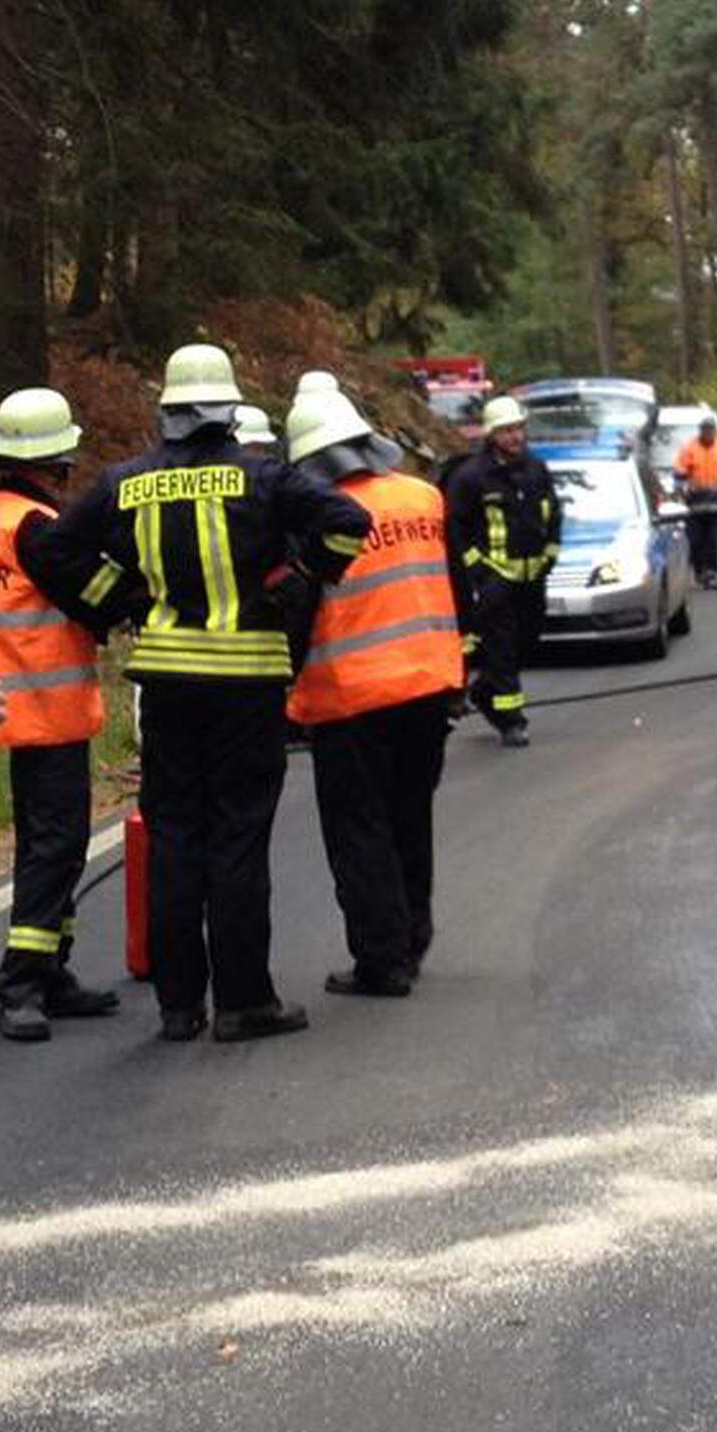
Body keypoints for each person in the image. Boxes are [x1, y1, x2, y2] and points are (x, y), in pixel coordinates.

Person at [26, 343, 367, 1043]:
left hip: (168, 686)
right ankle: (245, 1002)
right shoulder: (266, 479)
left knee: (177, 839)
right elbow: (349, 522)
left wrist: (116, 599)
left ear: (168, 412)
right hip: (246, 687)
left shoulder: (126, 481)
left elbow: (51, 549)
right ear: (227, 409)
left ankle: (179, 1007)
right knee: (238, 840)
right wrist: (302, 576)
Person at [281, 380, 462, 998]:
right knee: (412, 818)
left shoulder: (315, 518)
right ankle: (413, 936)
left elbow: (299, 610)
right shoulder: (422, 497)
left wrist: (282, 693)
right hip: (428, 686)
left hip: (350, 697)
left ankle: (382, 962)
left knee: (361, 833)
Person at [0, 387, 133, 1044]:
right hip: (42, 710)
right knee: (53, 849)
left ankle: (52, 973)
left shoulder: (2, 513)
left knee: (56, 848)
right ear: (55, 458)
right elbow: (85, 590)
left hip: (29, 707)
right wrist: (130, 594)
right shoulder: (34, 525)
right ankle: (22, 983)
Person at [442, 393, 560, 746]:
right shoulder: (471, 478)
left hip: (532, 577)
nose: (515, 437)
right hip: (495, 582)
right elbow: (456, 531)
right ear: (492, 435)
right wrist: (480, 573)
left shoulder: (536, 470)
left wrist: (550, 555)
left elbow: (552, 515)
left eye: (519, 429)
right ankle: (510, 720)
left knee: (527, 641)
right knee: (502, 648)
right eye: (507, 431)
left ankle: (484, 693)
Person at [672, 415, 717, 588]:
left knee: (713, 538)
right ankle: (699, 571)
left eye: (710, 430)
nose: (708, 433)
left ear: (715, 431)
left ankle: (712, 573)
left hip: (716, 503)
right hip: (695, 502)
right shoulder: (689, 448)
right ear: (700, 431)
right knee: (695, 540)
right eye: (705, 430)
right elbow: (680, 473)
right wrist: (681, 490)